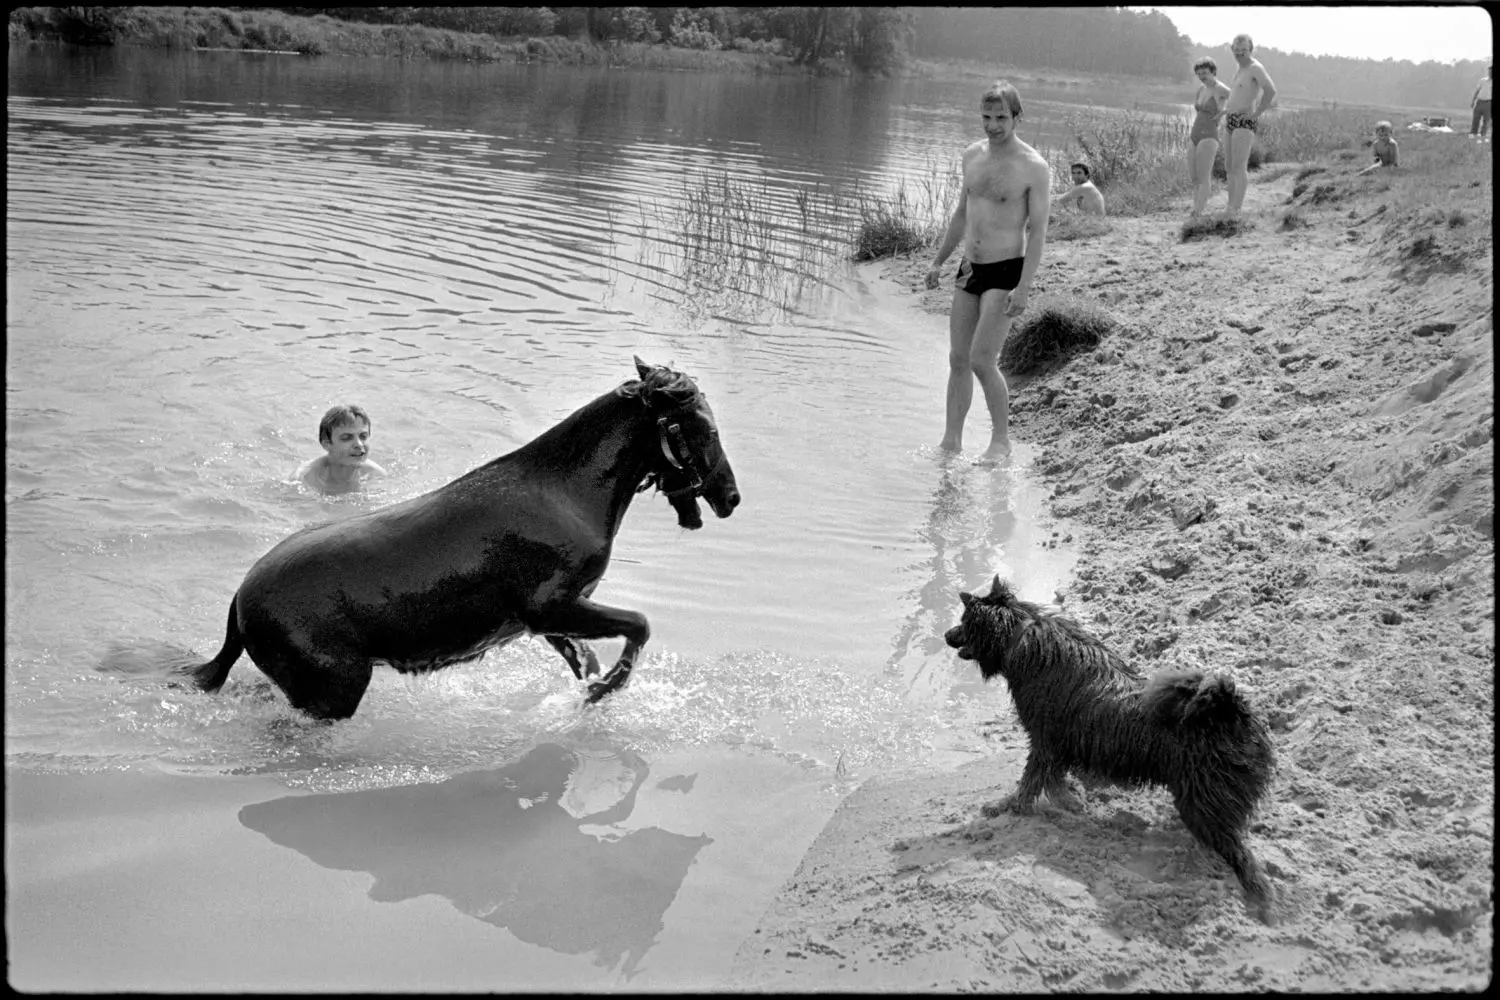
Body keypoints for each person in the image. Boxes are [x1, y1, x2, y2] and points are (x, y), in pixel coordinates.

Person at [925, 80, 1051, 466]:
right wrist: (939, 260)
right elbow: (962, 214)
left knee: (982, 359)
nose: (992, 125)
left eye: (1000, 117)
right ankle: (951, 442)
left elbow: (1038, 230)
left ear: (1016, 117)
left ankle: (1001, 441)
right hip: (969, 267)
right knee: (958, 359)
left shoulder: (1033, 167)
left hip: (1006, 270)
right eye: (986, 117)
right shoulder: (971, 155)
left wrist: (1025, 286)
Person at [1222, 34, 1277, 219]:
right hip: (1230, 119)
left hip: (1245, 121)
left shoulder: (1255, 68)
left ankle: (1236, 209)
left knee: (1239, 166)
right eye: (1236, 51)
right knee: (1229, 166)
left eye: (1243, 51)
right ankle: (1230, 206)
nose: (1240, 54)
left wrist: (1256, 113)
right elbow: (1237, 94)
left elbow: (1270, 90)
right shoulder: (1239, 68)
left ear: (1250, 50)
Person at [293, 403, 388, 494]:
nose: (359, 444)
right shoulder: (304, 478)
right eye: (347, 438)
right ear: (326, 444)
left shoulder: (378, 476)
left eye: (363, 436)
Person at [1187, 56, 1231, 217]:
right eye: (1199, 73)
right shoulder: (1200, 89)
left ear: (1213, 72)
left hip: (1209, 135)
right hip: (1195, 134)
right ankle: (1196, 207)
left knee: (1204, 177)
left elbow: (1239, 101)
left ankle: (1197, 212)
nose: (1202, 76)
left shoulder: (1220, 89)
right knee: (1194, 177)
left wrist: (1224, 112)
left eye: (1205, 73)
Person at [1471, 65, 1492, 140]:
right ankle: (1472, 136)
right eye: (1489, 71)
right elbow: (1477, 91)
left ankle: (1482, 136)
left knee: (1486, 121)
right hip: (1480, 102)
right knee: (1475, 119)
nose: (1490, 73)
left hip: (1489, 103)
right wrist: (1473, 101)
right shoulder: (1482, 80)